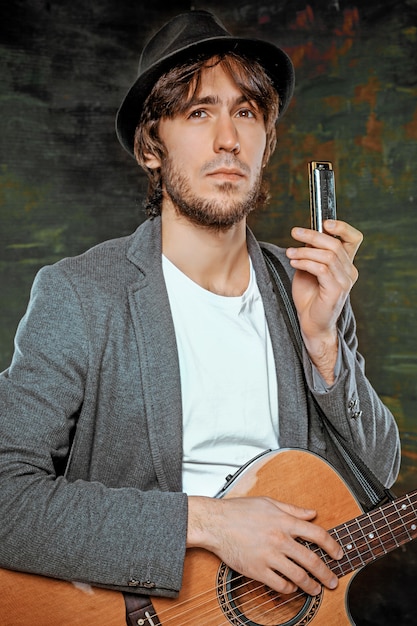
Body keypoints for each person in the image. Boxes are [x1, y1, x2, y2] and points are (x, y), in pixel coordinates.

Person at [0, 8, 400, 609]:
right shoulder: (81, 295)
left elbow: (380, 476)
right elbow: (6, 496)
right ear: (151, 146)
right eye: (198, 111)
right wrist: (211, 523)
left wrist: (323, 345)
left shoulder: (309, 289)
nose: (227, 139)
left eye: (245, 112)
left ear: (267, 142)